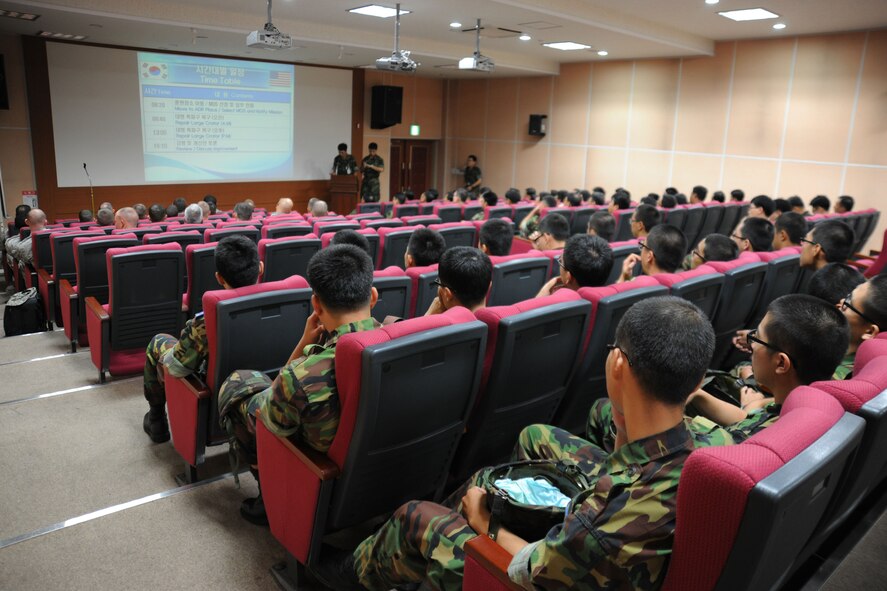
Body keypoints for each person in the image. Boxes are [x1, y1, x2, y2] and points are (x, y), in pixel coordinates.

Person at [336, 296, 714, 591]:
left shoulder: (601, 524)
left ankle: (351, 574)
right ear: (695, 384)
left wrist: (486, 524)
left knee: (415, 516)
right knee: (520, 450)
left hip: (526, 576)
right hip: (603, 557)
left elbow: (530, 570)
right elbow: (622, 467)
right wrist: (623, 416)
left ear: (617, 362)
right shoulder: (709, 450)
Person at [218, 245, 381, 524]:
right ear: (373, 296)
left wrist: (301, 347)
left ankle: (267, 500)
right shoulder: (399, 338)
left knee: (237, 389)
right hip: (374, 470)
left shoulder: (304, 375)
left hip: (317, 468)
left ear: (315, 305)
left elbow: (265, 418)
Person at [142, 236, 263, 443]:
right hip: (261, 391)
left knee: (158, 342)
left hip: (216, 395)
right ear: (260, 267)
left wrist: (183, 342)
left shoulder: (207, 321)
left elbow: (175, 369)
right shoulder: (291, 301)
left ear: (219, 277)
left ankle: (156, 420)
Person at [687, 294, 849, 441]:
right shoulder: (814, 403)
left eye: (756, 338)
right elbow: (746, 419)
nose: (751, 345)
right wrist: (698, 393)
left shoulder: (742, 441)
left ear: (781, 363)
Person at [833, 276, 887, 379]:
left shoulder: (838, 376)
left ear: (870, 332)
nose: (842, 301)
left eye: (848, 303)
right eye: (849, 295)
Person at [536, 234, 613, 296]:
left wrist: (541, 297)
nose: (559, 262)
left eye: (560, 261)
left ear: (568, 276)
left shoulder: (556, 304)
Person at [425, 247, 491, 316]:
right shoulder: (498, 321)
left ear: (447, 293)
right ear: (489, 286)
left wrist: (428, 317)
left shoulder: (443, 326)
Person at [619, 224, 686, 282]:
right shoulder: (681, 283)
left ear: (649, 256)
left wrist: (623, 278)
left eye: (643, 246)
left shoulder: (636, 288)